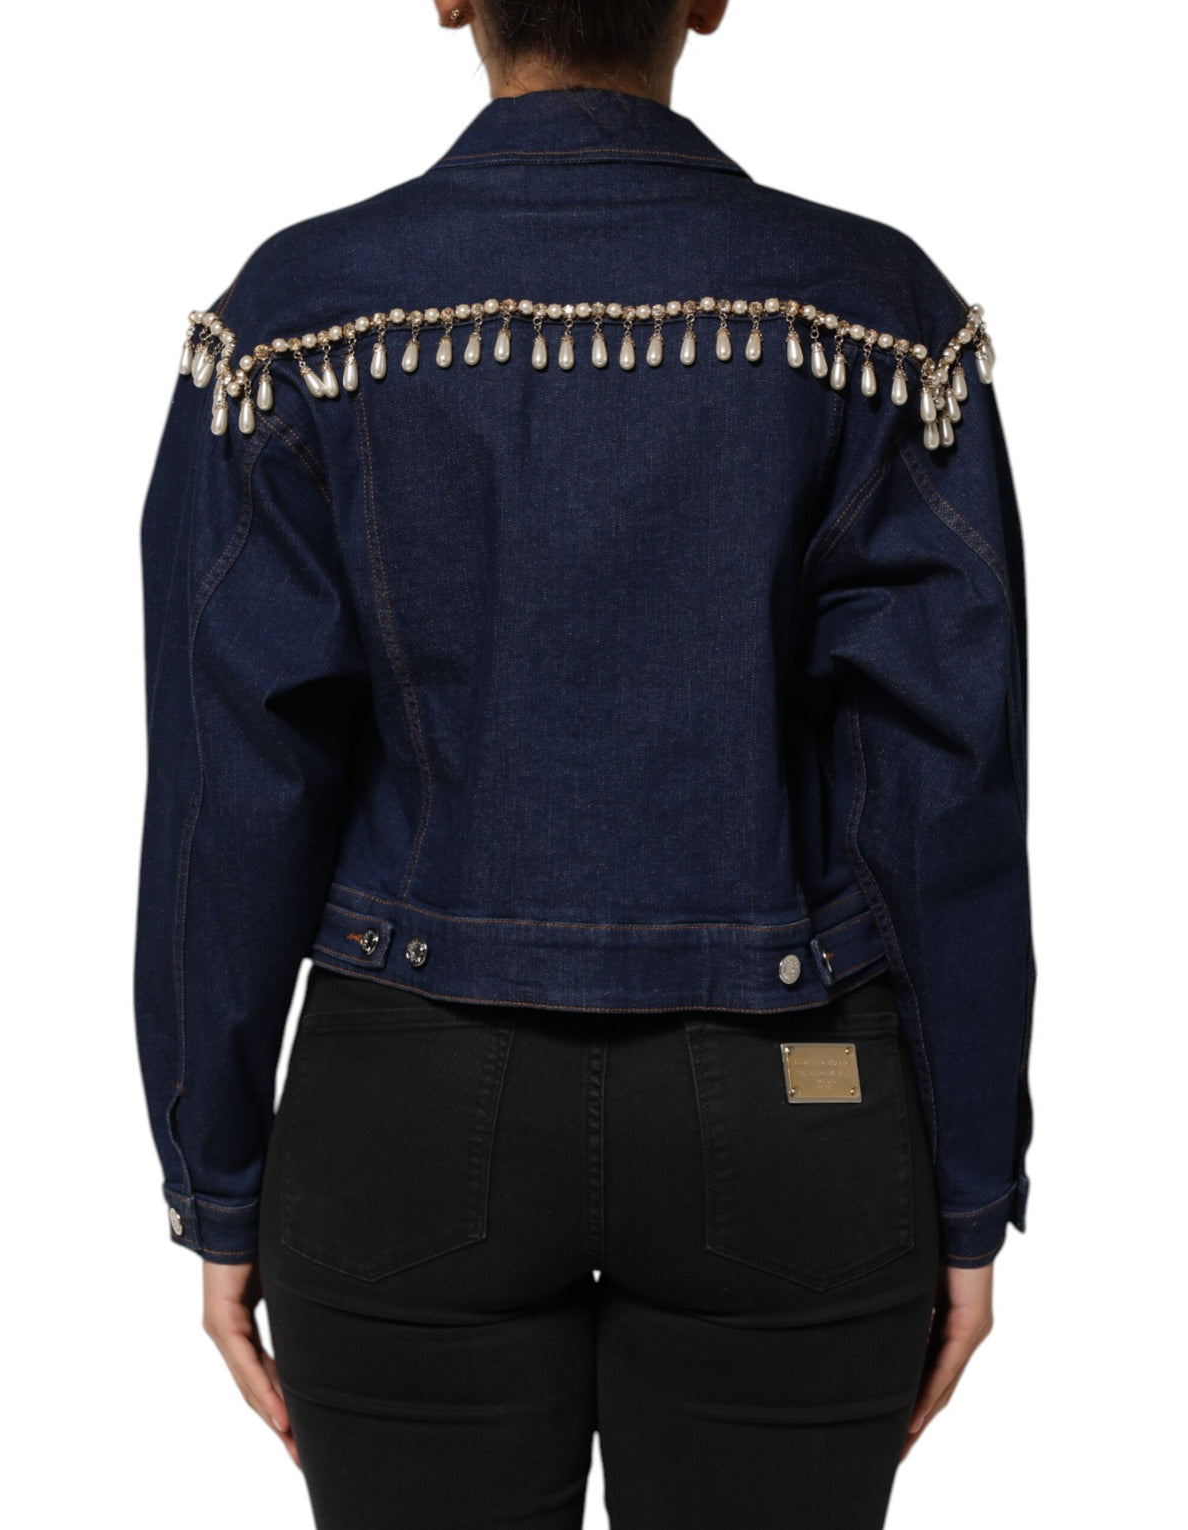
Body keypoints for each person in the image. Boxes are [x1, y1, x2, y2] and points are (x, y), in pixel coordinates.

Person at [134, 1, 1036, 1524]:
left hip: (403, 1104)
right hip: (794, 1092)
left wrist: (214, 1179)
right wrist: (966, 1188)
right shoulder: (876, 315)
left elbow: (230, 800)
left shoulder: (295, 320)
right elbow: (945, 794)